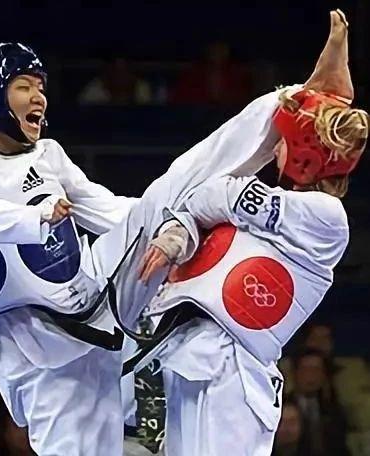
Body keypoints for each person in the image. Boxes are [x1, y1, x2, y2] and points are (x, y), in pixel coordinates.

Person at [0, 42, 199, 456]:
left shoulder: (49, 155)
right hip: (34, 345)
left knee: (167, 212)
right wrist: (34, 218)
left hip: (86, 320)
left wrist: (172, 223)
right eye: (24, 87)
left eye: (41, 88)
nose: (38, 97)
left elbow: (109, 209)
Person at [127, 9, 368, 456]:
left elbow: (216, 192)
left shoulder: (326, 219)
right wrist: (180, 231)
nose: (273, 150)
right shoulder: (279, 211)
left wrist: (195, 213)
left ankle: (308, 94)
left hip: (234, 373)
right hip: (190, 356)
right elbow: (202, 205)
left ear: (305, 157)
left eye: (284, 142)